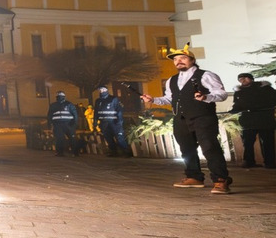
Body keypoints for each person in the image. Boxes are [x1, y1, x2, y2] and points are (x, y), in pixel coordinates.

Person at [143, 45, 232, 193]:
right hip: (181, 119)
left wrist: (206, 97)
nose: (179, 61)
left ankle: (221, 180)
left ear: (192, 60)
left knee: (210, 148)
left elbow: (222, 94)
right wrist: (153, 100)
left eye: (183, 58)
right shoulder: (172, 80)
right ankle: (194, 177)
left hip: (203, 117)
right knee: (186, 149)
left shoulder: (206, 75)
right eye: (176, 59)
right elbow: (169, 98)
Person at [231, 73, 276, 169]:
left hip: (265, 119)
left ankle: (270, 162)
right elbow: (237, 105)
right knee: (248, 142)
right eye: (240, 79)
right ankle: (248, 161)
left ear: (251, 79)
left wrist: (258, 107)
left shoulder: (265, 88)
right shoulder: (239, 92)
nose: (243, 80)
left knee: (268, 142)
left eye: (245, 78)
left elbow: (273, 100)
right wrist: (234, 110)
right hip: (248, 121)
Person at [93, 86, 130, 157]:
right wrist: (95, 122)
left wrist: (119, 122)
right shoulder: (98, 101)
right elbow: (96, 112)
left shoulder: (113, 99)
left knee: (119, 137)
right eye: (100, 90)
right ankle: (114, 152)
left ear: (107, 90)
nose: (102, 91)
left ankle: (126, 151)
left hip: (114, 122)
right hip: (104, 122)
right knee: (108, 138)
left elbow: (119, 110)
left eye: (103, 89)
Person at [48, 91, 79, 156]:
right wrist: (74, 123)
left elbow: (49, 116)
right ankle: (63, 152)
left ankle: (71, 152)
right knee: (62, 139)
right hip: (62, 124)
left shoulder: (68, 104)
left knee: (69, 138)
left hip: (66, 124)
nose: (59, 98)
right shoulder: (68, 104)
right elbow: (49, 116)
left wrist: (74, 123)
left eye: (60, 96)